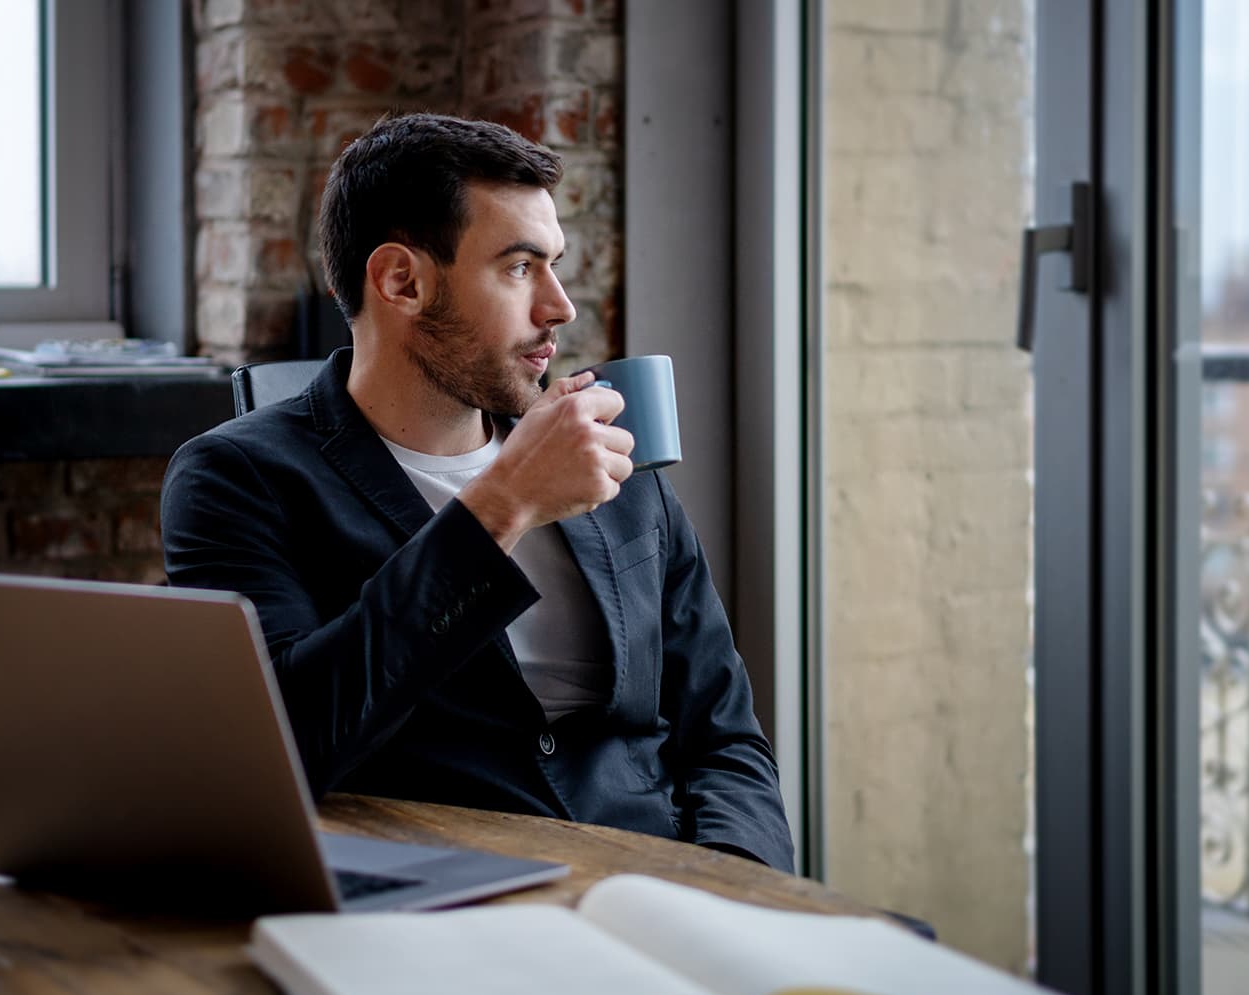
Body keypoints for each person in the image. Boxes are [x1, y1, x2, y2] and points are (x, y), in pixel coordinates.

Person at [159, 112, 794, 872]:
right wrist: (503, 504)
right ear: (403, 281)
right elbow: (286, 745)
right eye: (521, 267)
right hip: (442, 901)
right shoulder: (238, 481)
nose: (560, 306)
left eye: (555, 264)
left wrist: (739, 886)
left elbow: (722, 736)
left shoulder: (608, 456)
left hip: (661, 886)